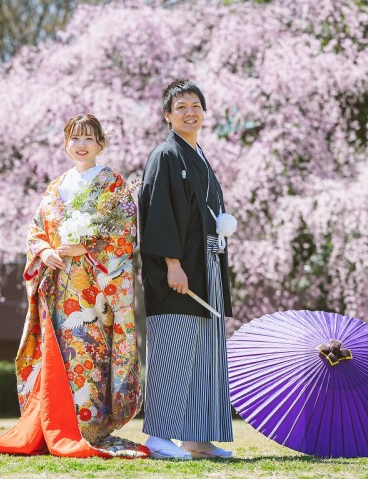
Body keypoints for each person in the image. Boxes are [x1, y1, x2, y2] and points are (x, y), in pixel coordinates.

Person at [0, 114, 146, 458]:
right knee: (59, 355)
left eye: (89, 139)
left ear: (101, 144)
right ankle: (55, 423)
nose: (81, 145)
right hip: (60, 286)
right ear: (65, 144)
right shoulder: (56, 186)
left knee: (90, 352)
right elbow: (36, 229)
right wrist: (46, 250)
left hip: (96, 289)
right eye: (74, 139)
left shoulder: (112, 182)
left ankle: (90, 426)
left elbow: (124, 231)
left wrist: (86, 246)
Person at [137, 78, 234, 459]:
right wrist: (172, 264)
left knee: (204, 352)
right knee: (173, 348)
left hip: (206, 265)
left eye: (196, 105)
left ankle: (196, 437)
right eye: (181, 107)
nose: (190, 111)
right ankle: (160, 435)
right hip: (177, 270)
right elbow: (158, 212)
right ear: (167, 116)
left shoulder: (201, 157)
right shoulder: (165, 155)